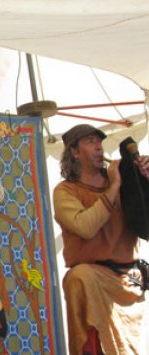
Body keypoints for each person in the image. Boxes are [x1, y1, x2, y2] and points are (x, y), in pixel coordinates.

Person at [53, 124, 149, 354]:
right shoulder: (66, 191)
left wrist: (143, 181)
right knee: (78, 278)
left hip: (130, 277)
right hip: (94, 276)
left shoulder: (124, 182)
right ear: (74, 152)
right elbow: (85, 228)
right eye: (90, 141)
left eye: (99, 141)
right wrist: (115, 185)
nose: (99, 146)